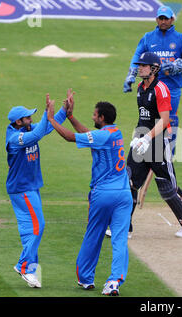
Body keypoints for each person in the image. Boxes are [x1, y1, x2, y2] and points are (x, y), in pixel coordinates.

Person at [46, 89, 133, 296]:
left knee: (93, 235)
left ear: (102, 118)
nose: (93, 117)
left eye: (95, 114)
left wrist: (51, 119)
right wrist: (70, 116)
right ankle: (114, 282)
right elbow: (89, 135)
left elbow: (70, 137)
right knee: (119, 239)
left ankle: (86, 278)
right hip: (124, 194)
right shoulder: (115, 133)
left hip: (103, 194)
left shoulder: (102, 135)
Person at [127, 52, 182, 238]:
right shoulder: (140, 89)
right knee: (129, 182)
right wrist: (138, 137)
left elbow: (164, 119)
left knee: (168, 187)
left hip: (157, 143)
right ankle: (124, 227)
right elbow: (144, 118)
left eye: (143, 65)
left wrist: (147, 138)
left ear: (154, 69)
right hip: (141, 141)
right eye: (139, 65)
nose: (139, 68)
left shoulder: (161, 89)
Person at [6, 95, 68, 288]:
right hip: (22, 189)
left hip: (29, 187)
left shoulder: (25, 128)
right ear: (18, 121)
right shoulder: (16, 137)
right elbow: (38, 134)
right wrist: (46, 113)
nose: (30, 120)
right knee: (37, 226)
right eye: (27, 118)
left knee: (28, 232)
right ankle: (23, 266)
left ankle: (30, 272)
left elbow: (47, 126)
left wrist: (64, 110)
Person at [123, 5, 182, 156]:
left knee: (169, 120)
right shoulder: (148, 37)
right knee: (150, 119)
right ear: (156, 19)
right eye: (161, 18)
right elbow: (137, 56)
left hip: (172, 87)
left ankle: (168, 154)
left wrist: (178, 65)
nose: (163, 21)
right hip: (152, 85)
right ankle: (150, 151)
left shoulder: (180, 38)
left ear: (172, 19)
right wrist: (131, 74)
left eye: (166, 18)